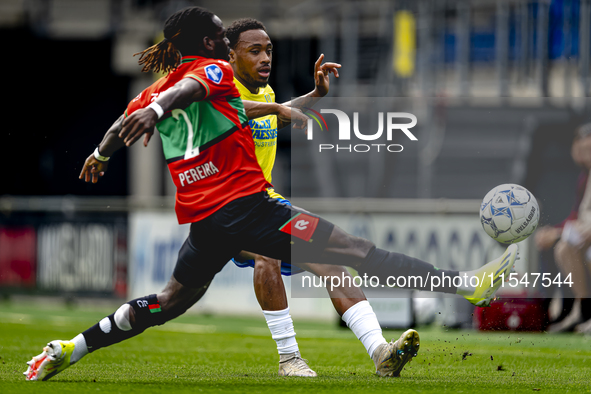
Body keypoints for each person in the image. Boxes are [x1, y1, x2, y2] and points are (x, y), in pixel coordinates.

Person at [24, 6, 517, 382]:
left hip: (208, 222)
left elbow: (129, 121)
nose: (225, 40)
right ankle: (465, 286)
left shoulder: (155, 92)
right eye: (220, 34)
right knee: (354, 250)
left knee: (170, 300)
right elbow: (191, 92)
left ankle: (72, 347)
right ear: (209, 43)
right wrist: (159, 114)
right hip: (248, 208)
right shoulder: (211, 71)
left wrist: (102, 154)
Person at [225, 17, 413, 377]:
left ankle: (381, 353)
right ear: (231, 56)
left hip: (265, 204)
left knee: (332, 262)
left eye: (269, 50)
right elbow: (226, 111)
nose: (266, 58)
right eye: (255, 51)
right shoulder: (218, 90)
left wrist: (315, 96)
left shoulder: (263, 94)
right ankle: (289, 359)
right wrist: (279, 109)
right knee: (267, 254)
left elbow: (272, 115)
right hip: (226, 210)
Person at [549, 124, 591, 333]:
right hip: (585, 236)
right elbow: (578, 215)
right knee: (562, 247)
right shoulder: (585, 176)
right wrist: (556, 232)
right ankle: (581, 308)